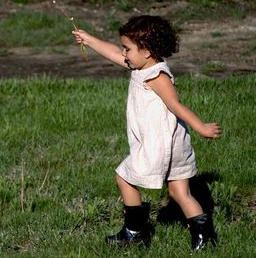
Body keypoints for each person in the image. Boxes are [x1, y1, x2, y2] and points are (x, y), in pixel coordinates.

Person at [72, 15, 221, 251]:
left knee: (124, 177)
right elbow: (113, 53)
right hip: (175, 143)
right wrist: (89, 40)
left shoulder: (157, 76)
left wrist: (201, 127)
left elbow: (176, 106)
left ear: (147, 52)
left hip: (158, 144)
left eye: (127, 48)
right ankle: (205, 239)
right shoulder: (143, 65)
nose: (124, 53)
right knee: (180, 193)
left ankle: (135, 232)